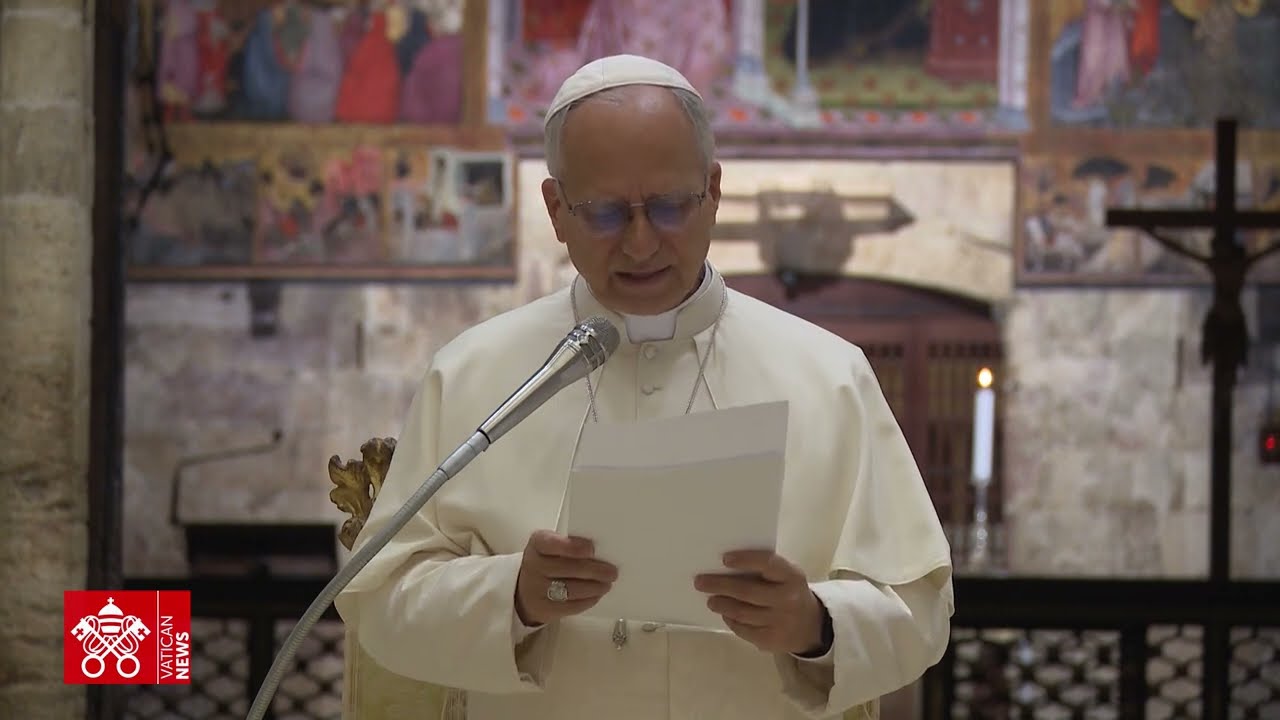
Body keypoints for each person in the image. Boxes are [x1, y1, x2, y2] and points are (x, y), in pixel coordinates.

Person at [335, 54, 954, 720]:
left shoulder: (830, 378)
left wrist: (814, 625)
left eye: (668, 207)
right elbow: (382, 603)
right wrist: (512, 597)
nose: (639, 244)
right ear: (556, 208)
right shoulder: (471, 375)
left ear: (713, 192)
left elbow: (921, 614)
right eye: (604, 213)